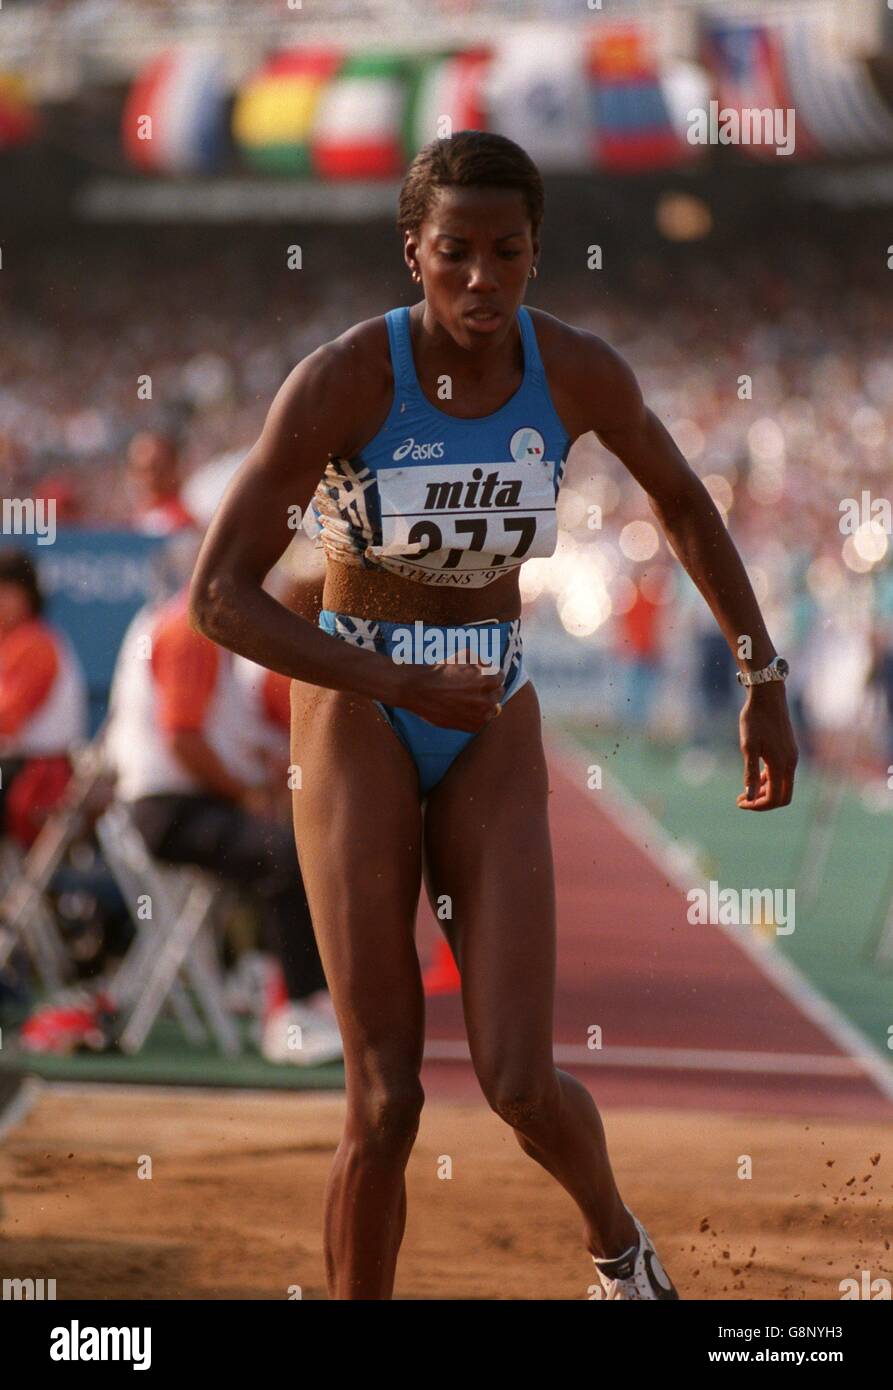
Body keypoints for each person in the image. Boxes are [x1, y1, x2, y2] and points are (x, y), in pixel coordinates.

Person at [188, 131, 798, 1300]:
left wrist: (757, 674)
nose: (480, 278)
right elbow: (218, 596)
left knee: (519, 1078)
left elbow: (678, 501)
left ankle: (618, 1250)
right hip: (362, 699)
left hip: (491, 697)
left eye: (505, 253)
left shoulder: (572, 369)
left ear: (534, 256)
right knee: (386, 1095)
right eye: (453, 252)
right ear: (411, 252)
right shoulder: (345, 379)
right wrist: (394, 683)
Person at [105, 577, 342, 1066]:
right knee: (286, 856)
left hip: (179, 804)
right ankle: (295, 1010)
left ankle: (272, 983)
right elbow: (183, 740)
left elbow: (210, 734)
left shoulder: (202, 635)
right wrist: (247, 791)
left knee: (285, 849)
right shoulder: (191, 633)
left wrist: (259, 772)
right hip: (169, 809)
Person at [0, 548, 87, 847]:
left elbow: (6, 720)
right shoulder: (13, 643)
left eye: (5, 591)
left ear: (26, 596)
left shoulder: (34, 643)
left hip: (39, 778)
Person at [127, 430, 196, 536]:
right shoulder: (128, 518)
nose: (150, 477)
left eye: (157, 468)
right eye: (142, 470)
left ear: (173, 467)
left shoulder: (181, 521)